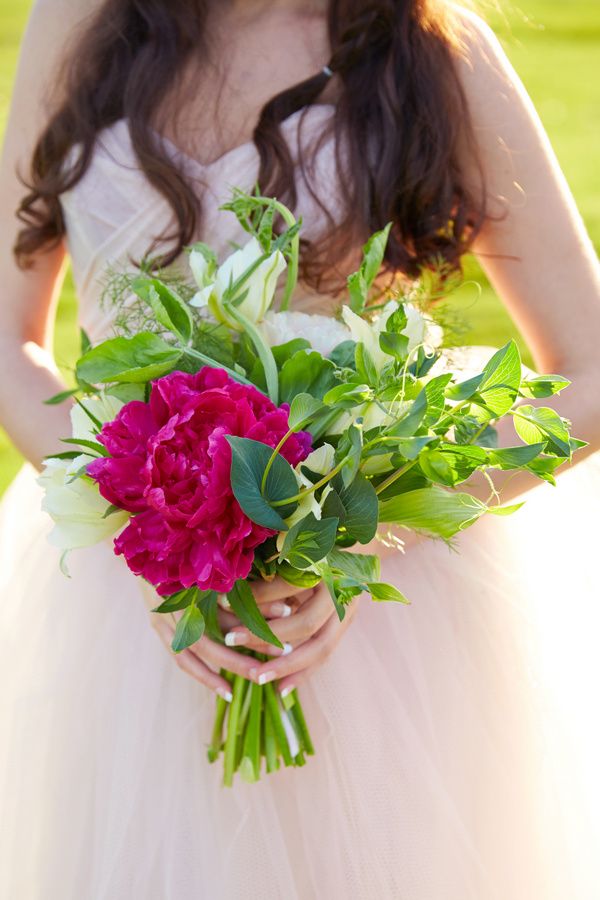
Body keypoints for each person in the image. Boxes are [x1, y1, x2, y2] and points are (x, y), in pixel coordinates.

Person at [1, 1, 599, 897]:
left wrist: (360, 531)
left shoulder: (427, 46)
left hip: (378, 629)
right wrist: (152, 525)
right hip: (125, 610)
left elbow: (589, 368)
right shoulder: (80, 19)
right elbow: (9, 337)